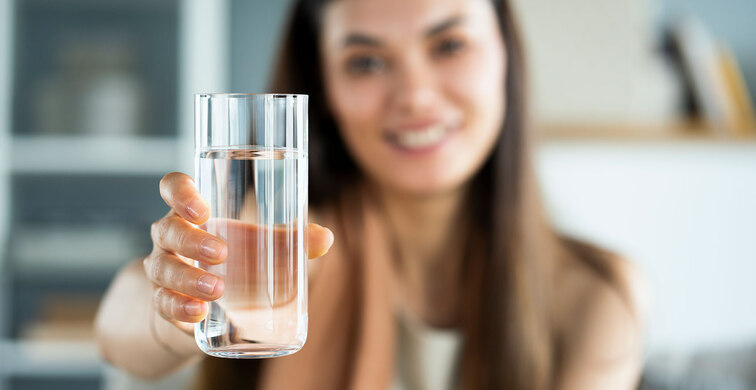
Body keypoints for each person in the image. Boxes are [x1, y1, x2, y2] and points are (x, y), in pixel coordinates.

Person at [95, 0, 646, 388]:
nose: (416, 96)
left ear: (506, 55)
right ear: (325, 89)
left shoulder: (595, 294)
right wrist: (172, 308)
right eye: (366, 61)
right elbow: (119, 326)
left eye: (449, 45)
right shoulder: (286, 254)